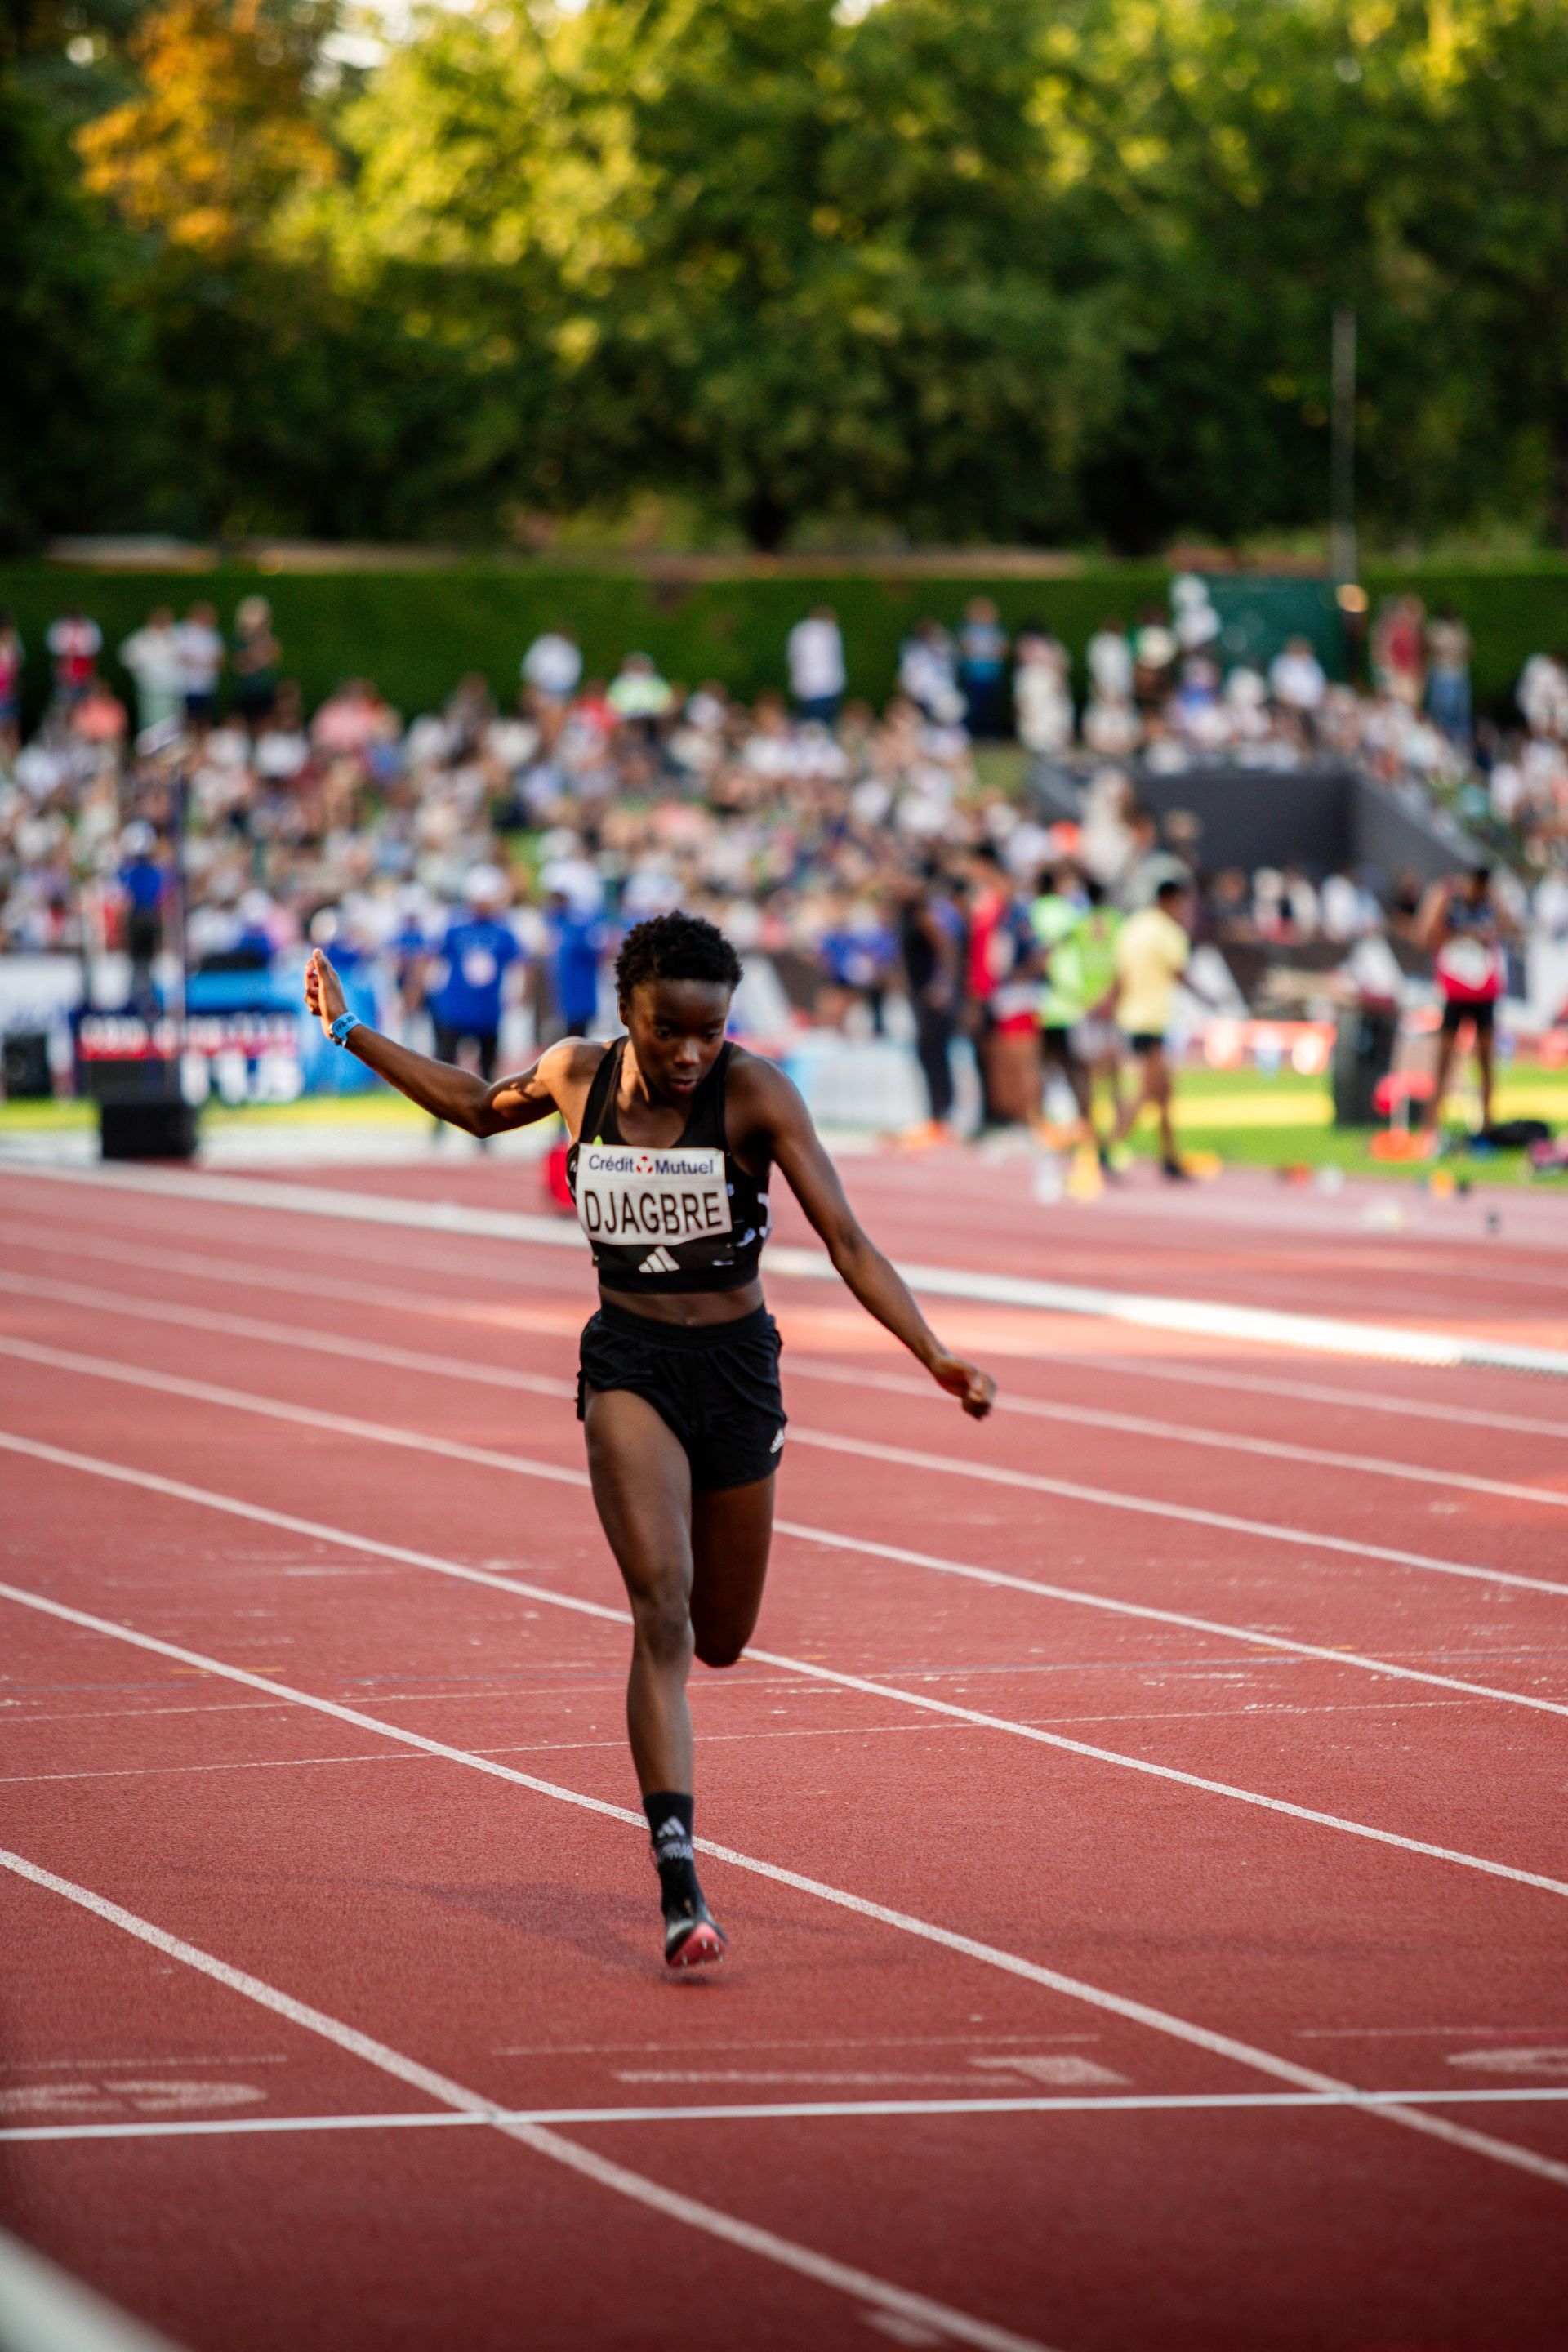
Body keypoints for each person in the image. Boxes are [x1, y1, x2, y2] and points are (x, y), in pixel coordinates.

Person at [304, 911, 996, 1968]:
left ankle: (681, 1857)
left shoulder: (756, 1094)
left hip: (736, 1375)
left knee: (723, 1635)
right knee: (660, 1607)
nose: (688, 1052)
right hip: (628, 1363)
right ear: (627, 1010)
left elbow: (848, 1241)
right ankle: (679, 1881)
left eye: (709, 1032)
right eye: (670, 1029)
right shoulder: (576, 1074)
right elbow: (477, 1106)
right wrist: (351, 1029)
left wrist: (933, 1354)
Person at [1102, 875, 1195, 1178]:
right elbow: (1179, 974)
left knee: (1165, 1093)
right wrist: (1213, 998)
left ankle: (1170, 1158)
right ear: (1170, 900)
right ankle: (1110, 1146)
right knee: (1147, 1092)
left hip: (1131, 1017)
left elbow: (1120, 975)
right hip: (1153, 1019)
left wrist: (1109, 1006)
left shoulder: (1132, 927)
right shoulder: (1168, 933)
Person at [425, 866, 523, 1127]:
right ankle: (439, 1120)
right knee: (445, 1067)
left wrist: (514, 995)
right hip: (456, 1009)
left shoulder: (503, 932)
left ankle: (485, 1122)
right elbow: (438, 963)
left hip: (487, 1011)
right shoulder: (455, 928)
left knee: (488, 1071)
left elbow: (516, 967)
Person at [1417, 865, 1510, 1132]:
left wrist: (1497, 907)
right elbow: (1425, 936)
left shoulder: (1490, 903)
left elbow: (1511, 928)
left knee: (1485, 1060)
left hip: (1484, 991)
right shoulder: (1449, 901)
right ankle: (1431, 1125)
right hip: (1456, 990)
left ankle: (1487, 1125)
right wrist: (1449, 919)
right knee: (1444, 1060)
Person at [118, 608, 185, 736]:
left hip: (172, 688)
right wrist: (141, 671)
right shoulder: (142, 638)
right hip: (150, 688)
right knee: (152, 723)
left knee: (172, 724)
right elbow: (126, 656)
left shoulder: (175, 636)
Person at [956, 597, 1009, 739]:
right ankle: (972, 734)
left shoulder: (996, 629)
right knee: (973, 707)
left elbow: (1003, 650)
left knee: (991, 708)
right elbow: (963, 648)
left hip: (991, 675)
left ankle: (990, 734)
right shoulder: (967, 628)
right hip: (973, 675)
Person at [786, 606, 846, 727]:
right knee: (822, 724)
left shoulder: (800, 631)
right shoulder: (828, 631)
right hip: (823, 687)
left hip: (809, 687)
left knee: (810, 724)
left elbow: (793, 658)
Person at [177, 601, 225, 729]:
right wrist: (203, 662)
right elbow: (181, 657)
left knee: (205, 718)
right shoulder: (183, 632)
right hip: (187, 685)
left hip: (207, 685)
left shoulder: (213, 634)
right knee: (188, 719)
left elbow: (220, 659)